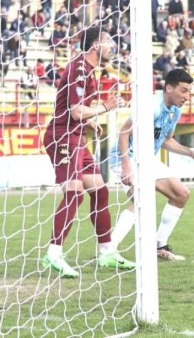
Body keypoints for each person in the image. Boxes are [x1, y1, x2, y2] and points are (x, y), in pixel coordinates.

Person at [41, 25, 135, 278]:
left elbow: (79, 111)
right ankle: (54, 253)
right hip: (62, 137)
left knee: (100, 191)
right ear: (96, 45)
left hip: (77, 137)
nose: (112, 46)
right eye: (108, 41)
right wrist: (106, 106)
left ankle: (106, 251)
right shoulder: (80, 70)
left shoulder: (89, 71)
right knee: (75, 194)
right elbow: (75, 112)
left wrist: (90, 121)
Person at [109, 69, 194, 261]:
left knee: (181, 194)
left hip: (147, 159)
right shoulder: (152, 107)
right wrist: (126, 166)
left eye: (189, 91)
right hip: (126, 157)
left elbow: (166, 141)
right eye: (184, 91)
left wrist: (191, 153)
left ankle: (158, 245)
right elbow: (124, 133)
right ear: (169, 88)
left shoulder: (175, 111)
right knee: (141, 201)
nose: (187, 97)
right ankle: (109, 249)